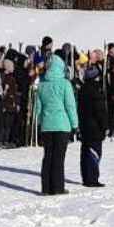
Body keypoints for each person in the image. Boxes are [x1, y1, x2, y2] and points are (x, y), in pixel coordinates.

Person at [33, 54, 78, 196]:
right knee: (58, 158)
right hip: (62, 124)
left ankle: (46, 187)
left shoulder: (41, 84)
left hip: (47, 124)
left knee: (48, 157)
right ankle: (58, 187)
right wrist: (74, 124)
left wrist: (40, 122)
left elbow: (37, 107)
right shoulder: (65, 84)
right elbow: (70, 106)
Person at [77, 52, 108, 188]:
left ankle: (86, 177)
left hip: (84, 126)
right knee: (94, 153)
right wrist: (105, 126)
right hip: (94, 128)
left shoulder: (83, 90)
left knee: (85, 152)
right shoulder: (96, 91)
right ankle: (92, 179)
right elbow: (100, 111)